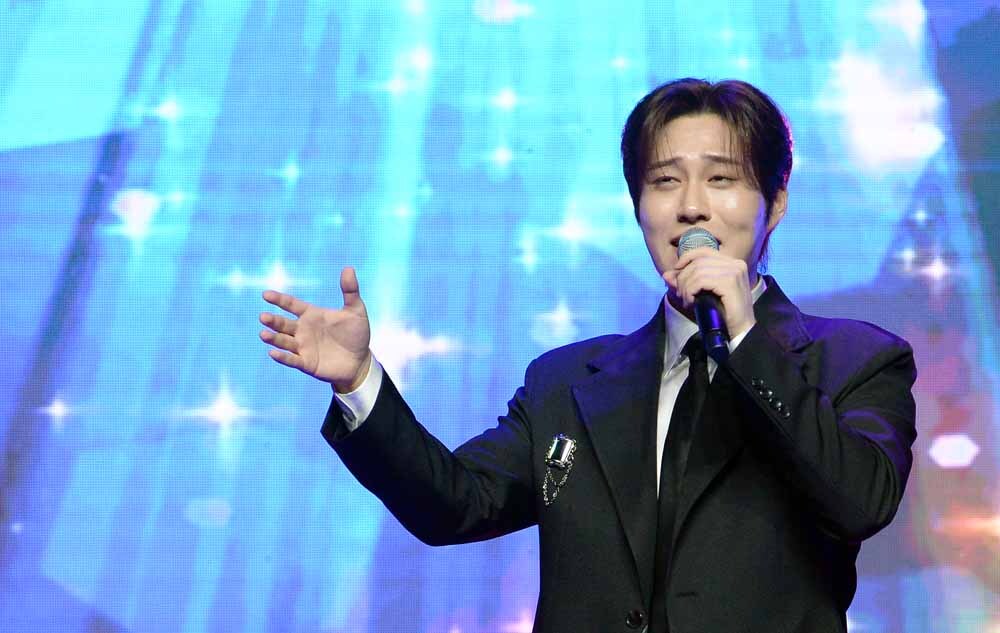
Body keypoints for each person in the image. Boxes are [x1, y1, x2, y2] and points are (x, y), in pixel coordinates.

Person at [259, 78, 917, 633]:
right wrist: (359, 381)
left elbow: (860, 502)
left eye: (722, 178)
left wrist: (745, 340)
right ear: (638, 206)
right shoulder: (567, 382)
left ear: (775, 203)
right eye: (665, 181)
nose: (692, 206)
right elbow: (455, 503)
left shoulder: (857, 360)